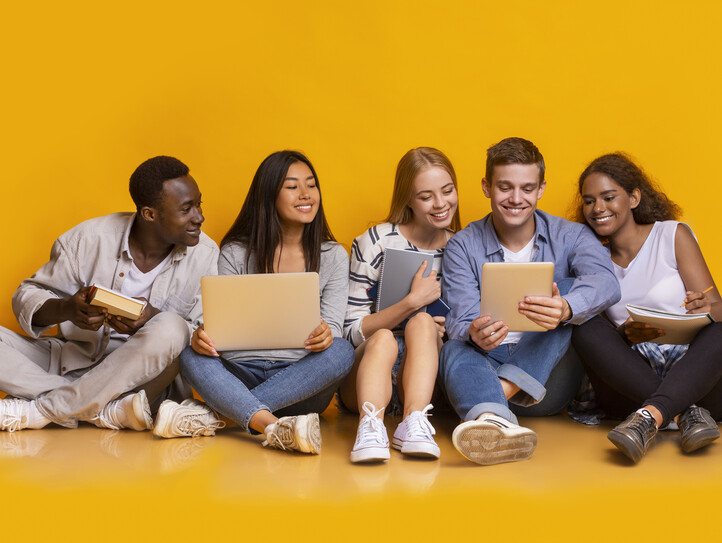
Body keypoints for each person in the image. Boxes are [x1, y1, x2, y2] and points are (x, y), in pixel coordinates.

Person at [0, 156, 218, 432]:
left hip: (142, 382)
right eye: (186, 209)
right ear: (149, 214)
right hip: (73, 362)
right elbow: (27, 295)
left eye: (199, 204)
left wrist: (152, 317)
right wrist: (67, 308)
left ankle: (44, 409)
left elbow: (203, 338)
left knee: (173, 326)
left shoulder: (206, 255)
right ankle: (103, 412)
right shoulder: (89, 238)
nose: (199, 217)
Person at [440, 137, 620, 465]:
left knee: (565, 290)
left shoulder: (572, 235)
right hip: (485, 358)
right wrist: (473, 331)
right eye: (505, 187)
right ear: (486, 187)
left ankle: (496, 400)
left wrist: (566, 308)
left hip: (547, 378)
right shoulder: (462, 246)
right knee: (454, 346)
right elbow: (459, 318)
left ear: (541, 189)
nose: (516, 199)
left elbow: (606, 283)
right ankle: (497, 423)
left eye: (527, 188)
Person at [164, 150, 354, 453]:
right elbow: (217, 325)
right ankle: (271, 424)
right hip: (240, 372)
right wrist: (204, 337)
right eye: (292, 187)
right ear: (268, 196)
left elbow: (333, 326)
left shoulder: (333, 256)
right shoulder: (235, 253)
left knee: (342, 350)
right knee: (190, 354)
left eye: (311, 185)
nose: (306, 195)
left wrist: (326, 334)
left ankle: (221, 415)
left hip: (302, 378)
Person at [571, 153, 722, 463]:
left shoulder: (672, 235)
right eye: (589, 201)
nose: (597, 208)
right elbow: (604, 347)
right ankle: (684, 413)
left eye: (608, 197)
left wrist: (704, 308)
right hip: (631, 385)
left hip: (695, 376)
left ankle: (651, 416)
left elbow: (717, 307)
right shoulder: (590, 260)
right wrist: (625, 335)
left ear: (634, 197)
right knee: (582, 324)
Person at [340, 147, 460, 463]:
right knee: (383, 338)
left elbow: (469, 332)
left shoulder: (461, 247)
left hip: (425, 377)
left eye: (447, 191)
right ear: (407, 199)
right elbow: (351, 332)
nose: (441, 203)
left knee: (423, 325)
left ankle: (415, 423)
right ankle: (371, 427)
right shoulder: (375, 242)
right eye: (426, 196)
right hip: (368, 372)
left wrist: (450, 329)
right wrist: (412, 302)